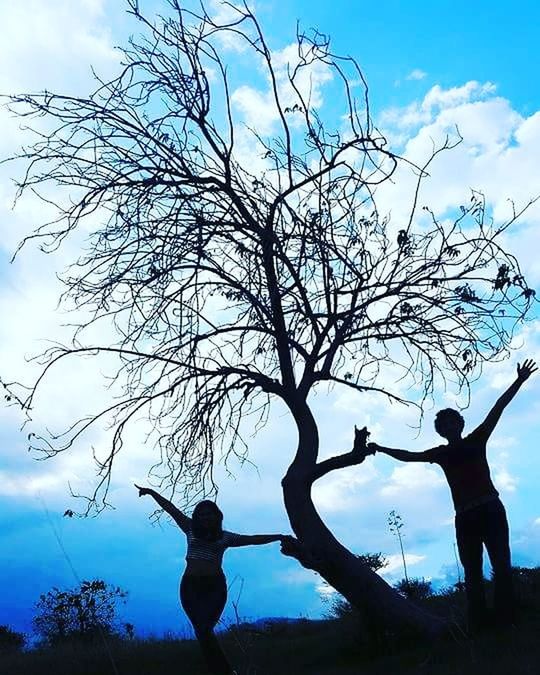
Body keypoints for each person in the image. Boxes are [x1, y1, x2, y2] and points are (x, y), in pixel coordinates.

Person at [366, 359, 537, 633]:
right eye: (443, 423)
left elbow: (498, 409)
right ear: (441, 430)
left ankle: (507, 620)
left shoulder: (476, 439)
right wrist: (381, 448)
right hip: (465, 516)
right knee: (472, 573)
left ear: (459, 423)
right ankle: (479, 625)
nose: (448, 425)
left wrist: (519, 380)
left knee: (501, 566)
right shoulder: (441, 454)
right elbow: (409, 456)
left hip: (490, 509)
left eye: (451, 421)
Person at [135, 485, 291, 675]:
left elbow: (252, 539)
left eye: (210, 514)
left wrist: (278, 536)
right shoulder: (189, 528)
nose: (206, 517)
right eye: (202, 514)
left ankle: (222, 671)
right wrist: (151, 492)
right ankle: (222, 670)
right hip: (190, 587)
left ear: (217, 516)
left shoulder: (225, 537)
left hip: (214, 588)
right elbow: (171, 509)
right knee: (201, 630)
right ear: (197, 517)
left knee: (205, 629)